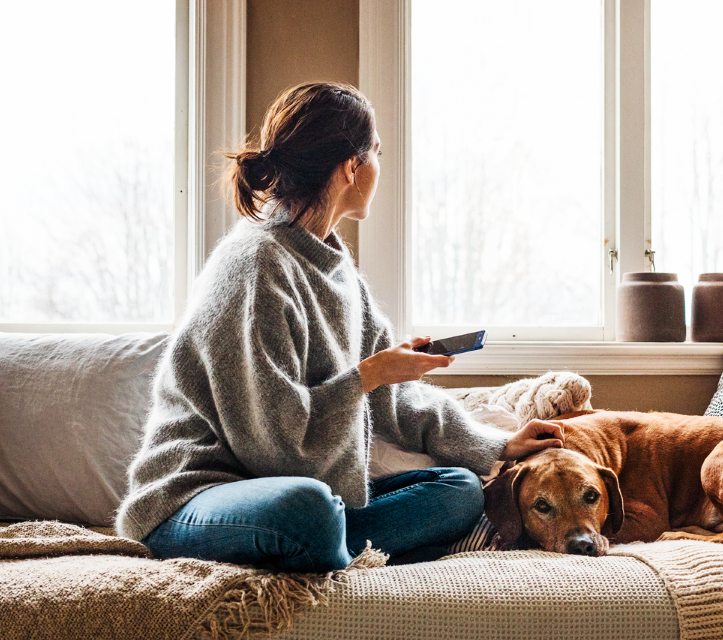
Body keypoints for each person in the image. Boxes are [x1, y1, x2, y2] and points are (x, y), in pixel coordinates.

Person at [115, 82, 563, 571]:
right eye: (377, 153)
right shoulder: (256, 267)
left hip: (304, 494)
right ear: (353, 166)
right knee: (307, 509)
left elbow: (395, 399)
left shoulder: (335, 264)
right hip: (198, 497)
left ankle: (330, 549)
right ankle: (339, 548)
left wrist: (498, 444)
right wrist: (368, 375)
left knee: (460, 490)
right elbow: (275, 446)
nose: (378, 168)